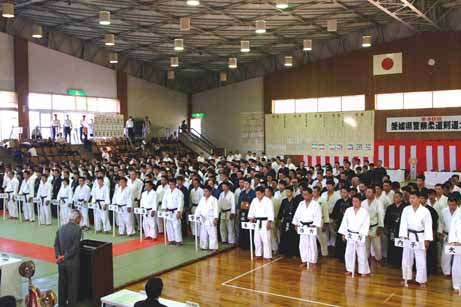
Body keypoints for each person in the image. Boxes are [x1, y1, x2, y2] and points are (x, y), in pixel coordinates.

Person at [399, 190, 433, 287]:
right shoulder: (406, 209)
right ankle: (406, 277)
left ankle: (421, 280)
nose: (411, 200)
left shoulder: (425, 211)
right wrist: (403, 236)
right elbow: (403, 223)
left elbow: (428, 226)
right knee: (406, 258)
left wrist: (427, 239)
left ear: (419, 199)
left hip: (420, 236)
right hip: (408, 235)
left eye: (413, 198)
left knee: (420, 258)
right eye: (410, 198)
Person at [54, 209, 82, 307]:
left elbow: (56, 244)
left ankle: (61, 304)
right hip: (72, 263)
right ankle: (71, 305)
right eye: (80, 219)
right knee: (72, 286)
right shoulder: (77, 229)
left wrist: (59, 256)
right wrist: (65, 256)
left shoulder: (61, 228)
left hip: (61, 263)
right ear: (77, 218)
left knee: (62, 285)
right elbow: (75, 247)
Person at [338, 195, 371, 277]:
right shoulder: (348, 210)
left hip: (359, 234)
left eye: (356, 201)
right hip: (350, 234)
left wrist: (362, 234)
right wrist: (343, 233)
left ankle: (363, 271)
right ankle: (349, 269)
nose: (354, 203)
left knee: (361, 253)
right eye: (353, 201)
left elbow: (366, 225)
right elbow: (344, 222)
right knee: (349, 253)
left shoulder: (364, 212)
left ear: (360, 202)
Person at [292, 187, 322, 269]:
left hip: (311, 226)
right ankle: (304, 260)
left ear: (311, 194)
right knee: (302, 244)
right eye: (303, 194)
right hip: (302, 226)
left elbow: (318, 216)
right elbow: (297, 215)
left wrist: (315, 225)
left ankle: (313, 262)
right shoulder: (301, 203)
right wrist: (296, 224)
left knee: (312, 244)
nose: (304, 196)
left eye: (306, 194)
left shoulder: (316, 204)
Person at [248, 186, 274, 260]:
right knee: (256, 239)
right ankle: (258, 254)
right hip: (257, 222)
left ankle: (267, 256)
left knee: (266, 239)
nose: (257, 195)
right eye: (256, 194)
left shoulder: (268, 201)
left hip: (265, 222)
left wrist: (269, 222)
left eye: (259, 194)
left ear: (263, 193)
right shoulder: (254, 200)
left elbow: (270, 212)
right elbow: (251, 211)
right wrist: (250, 218)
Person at [361, 186, 384, 263]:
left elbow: (381, 215)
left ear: (374, 193)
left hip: (375, 227)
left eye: (369, 192)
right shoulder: (363, 203)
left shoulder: (378, 203)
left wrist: (380, 227)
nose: (367, 194)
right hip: (364, 228)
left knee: (376, 246)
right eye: (366, 192)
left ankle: (378, 259)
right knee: (365, 245)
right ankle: (366, 260)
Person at [384, 191, 407, 266]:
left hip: (401, 230)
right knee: (391, 245)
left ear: (401, 198)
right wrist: (386, 228)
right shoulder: (390, 207)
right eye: (394, 197)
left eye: (397, 197)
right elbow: (386, 218)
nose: (395, 198)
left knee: (400, 246)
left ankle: (400, 262)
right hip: (392, 229)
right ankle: (391, 261)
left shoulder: (405, 207)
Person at [331, 186, 352, 262]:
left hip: (349, 224)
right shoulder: (338, 201)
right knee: (339, 240)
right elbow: (334, 213)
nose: (343, 194)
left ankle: (348, 257)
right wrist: (334, 222)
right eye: (341, 192)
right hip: (340, 223)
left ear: (349, 193)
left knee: (347, 241)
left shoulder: (351, 201)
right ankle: (339, 256)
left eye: (345, 192)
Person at [277, 186, 299, 257]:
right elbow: (281, 211)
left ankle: (293, 252)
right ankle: (284, 251)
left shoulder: (296, 201)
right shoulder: (284, 201)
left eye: (289, 192)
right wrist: (279, 219)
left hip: (293, 221)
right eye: (286, 192)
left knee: (292, 236)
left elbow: (297, 212)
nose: (287, 193)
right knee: (284, 235)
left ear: (292, 192)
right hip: (285, 220)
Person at [195, 185, 219, 251]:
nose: (205, 193)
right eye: (204, 191)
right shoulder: (202, 199)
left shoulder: (214, 199)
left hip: (211, 218)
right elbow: (198, 208)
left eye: (206, 191)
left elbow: (216, 209)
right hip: (203, 218)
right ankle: (203, 246)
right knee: (203, 233)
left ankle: (213, 247)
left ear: (210, 192)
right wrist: (196, 215)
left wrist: (216, 218)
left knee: (212, 234)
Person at [439, 195, 458, 278]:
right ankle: (447, 272)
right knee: (446, 255)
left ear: (457, 203)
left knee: (458, 257)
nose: (451, 207)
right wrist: (440, 232)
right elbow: (441, 222)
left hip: (458, 238)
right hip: (447, 235)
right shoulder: (444, 211)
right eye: (450, 205)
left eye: (453, 205)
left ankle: (457, 273)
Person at [162, 179, 184, 245]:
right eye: (170, 184)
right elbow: (164, 200)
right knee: (169, 226)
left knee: (176, 226)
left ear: (175, 184)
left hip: (175, 211)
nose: (170, 186)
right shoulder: (167, 191)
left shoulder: (179, 192)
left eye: (172, 184)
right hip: (168, 211)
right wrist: (164, 208)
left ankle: (178, 241)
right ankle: (172, 239)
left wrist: (179, 212)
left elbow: (180, 203)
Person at [448, 205, 461, 294]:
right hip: (458, 245)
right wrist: (454, 241)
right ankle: (457, 285)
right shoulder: (456, 218)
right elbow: (452, 231)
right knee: (457, 265)